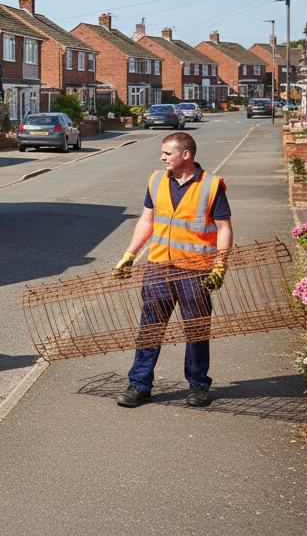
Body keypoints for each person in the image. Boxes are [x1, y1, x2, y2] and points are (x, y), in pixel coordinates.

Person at [114, 132, 232, 408]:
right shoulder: (156, 180)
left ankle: (199, 385)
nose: (162, 157)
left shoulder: (212, 186)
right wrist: (130, 253)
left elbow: (224, 229)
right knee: (150, 329)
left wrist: (220, 266)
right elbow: (147, 221)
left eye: (167, 153)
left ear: (186, 155)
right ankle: (139, 385)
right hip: (158, 267)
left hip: (195, 270)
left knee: (196, 330)